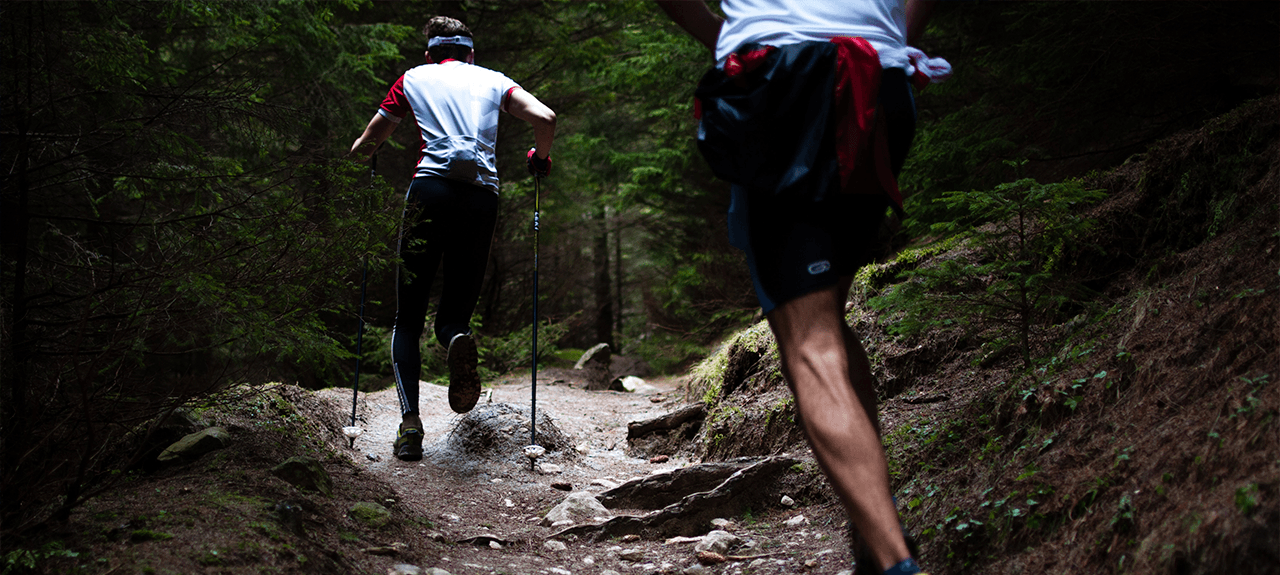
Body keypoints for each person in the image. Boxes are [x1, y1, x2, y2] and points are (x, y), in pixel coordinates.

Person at [655, 1, 947, 574]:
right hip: (882, 84)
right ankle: (872, 539)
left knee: (810, 343)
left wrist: (726, 38)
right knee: (827, 321)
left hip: (780, 80)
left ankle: (895, 562)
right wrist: (894, 40)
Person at [348, 16, 556, 461]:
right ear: (471, 54)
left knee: (407, 317)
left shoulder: (413, 78)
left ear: (430, 54)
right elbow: (545, 117)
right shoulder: (494, 81)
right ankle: (456, 339)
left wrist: (363, 153)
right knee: (454, 317)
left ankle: (409, 426)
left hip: (430, 192)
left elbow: (370, 140)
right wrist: (540, 156)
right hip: (481, 198)